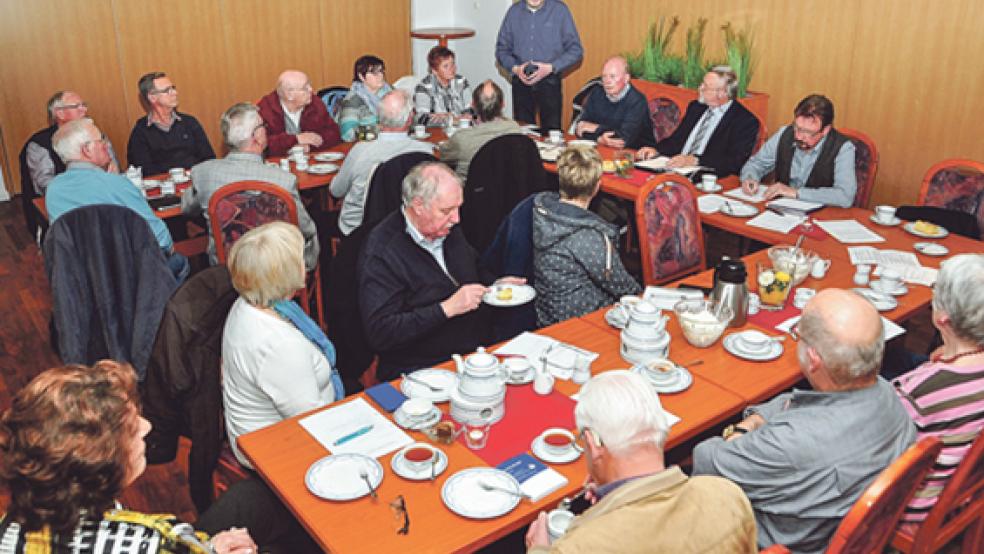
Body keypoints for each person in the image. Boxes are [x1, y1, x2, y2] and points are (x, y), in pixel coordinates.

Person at [693, 288, 917, 553]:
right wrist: (758, 419)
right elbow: (794, 401)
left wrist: (741, 431)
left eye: (798, 335)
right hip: (832, 525)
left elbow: (706, 458)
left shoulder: (791, 442)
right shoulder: (885, 394)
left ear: (813, 360)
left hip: (773, 540)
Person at [0, 361, 256, 553]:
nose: (146, 427)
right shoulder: (146, 544)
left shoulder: (9, 528)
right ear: (98, 467)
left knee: (248, 498)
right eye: (131, 429)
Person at [525, 370, 758, 553]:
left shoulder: (581, 545)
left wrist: (539, 549)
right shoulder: (727, 495)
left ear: (592, 444)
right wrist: (609, 501)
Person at [358, 162, 522, 380]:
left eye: (458, 208)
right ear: (418, 205)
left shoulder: (446, 227)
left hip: (477, 349)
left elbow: (474, 267)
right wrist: (446, 308)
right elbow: (381, 332)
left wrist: (495, 285)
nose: (456, 219)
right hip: (425, 366)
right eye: (447, 211)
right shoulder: (382, 252)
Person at [222, 222, 344, 469]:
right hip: (278, 451)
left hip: (259, 433)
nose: (306, 263)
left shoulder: (249, 302)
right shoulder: (279, 345)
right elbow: (312, 421)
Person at [892, 254, 984, 528]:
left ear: (942, 318)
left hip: (908, 509)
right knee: (895, 358)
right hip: (961, 492)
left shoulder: (916, 394)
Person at [182, 102, 320, 270]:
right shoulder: (283, 180)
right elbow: (305, 228)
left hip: (230, 267)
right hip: (277, 269)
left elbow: (187, 208)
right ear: (257, 137)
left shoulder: (203, 174)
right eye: (263, 125)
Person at [47, 118, 188, 281]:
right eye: (101, 140)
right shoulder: (116, 184)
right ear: (87, 150)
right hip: (131, 275)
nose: (107, 145)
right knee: (180, 262)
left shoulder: (53, 190)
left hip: (83, 278)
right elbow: (161, 240)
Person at [532, 145, 640, 326]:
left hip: (547, 315)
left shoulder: (542, 213)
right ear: (597, 186)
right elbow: (622, 287)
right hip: (585, 319)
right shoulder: (590, 236)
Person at [330, 90, 434, 236]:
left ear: (378, 118)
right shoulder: (426, 152)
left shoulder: (361, 151)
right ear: (410, 119)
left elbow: (336, 190)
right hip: (409, 226)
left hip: (360, 229)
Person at [636, 66, 760, 177]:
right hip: (675, 169)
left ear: (722, 93)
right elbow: (676, 141)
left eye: (706, 87)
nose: (700, 88)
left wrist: (695, 160)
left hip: (708, 177)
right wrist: (656, 150)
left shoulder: (745, 121)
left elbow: (734, 162)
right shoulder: (696, 107)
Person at [739, 94, 857, 207]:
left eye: (808, 132)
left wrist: (796, 193)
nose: (799, 136)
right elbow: (756, 164)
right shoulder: (785, 134)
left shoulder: (843, 148)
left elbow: (845, 196)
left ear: (825, 130)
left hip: (819, 216)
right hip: (779, 210)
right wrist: (750, 178)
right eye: (797, 128)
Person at [495, 0, 583, 131]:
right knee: (522, 132)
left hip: (549, 80)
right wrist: (516, 69)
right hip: (521, 80)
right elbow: (501, 50)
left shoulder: (560, 10)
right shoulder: (513, 12)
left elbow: (576, 50)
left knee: (552, 134)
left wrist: (551, 67)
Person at [22, 91, 121, 197]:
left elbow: (114, 167)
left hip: (102, 193)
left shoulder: (94, 133)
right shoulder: (39, 144)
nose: (84, 110)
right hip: (64, 200)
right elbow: (45, 186)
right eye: (76, 106)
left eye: (84, 105)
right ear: (60, 114)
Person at [126, 71, 215, 175]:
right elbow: (143, 171)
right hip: (163, 187)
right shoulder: (140, 132)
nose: (175, 93)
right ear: (152, 97)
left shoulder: (190, 122)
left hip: (196, 183)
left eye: (173, 88)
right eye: (167, 90)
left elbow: (209, 160)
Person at [438, 80, 524, 182]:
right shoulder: (514, 129)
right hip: (506, 192)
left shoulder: (462, 138)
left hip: (471, 194)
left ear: (473, 105)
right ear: (503, 104)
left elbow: (443, 156)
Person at [257, 70, 341, 156]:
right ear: (289, 95)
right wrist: (296, 139)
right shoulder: (266, 109)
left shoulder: (315, 103)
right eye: (305, 88)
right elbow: (261, 144)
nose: (311, 90)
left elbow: (334, 133)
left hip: (311, 161)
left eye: (310, 85)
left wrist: (308, 147)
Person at [574, 56, 652, 149]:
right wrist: (599, 139)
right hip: (600, 148)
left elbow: (622, 139)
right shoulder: (597, 93)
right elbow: (580, 128)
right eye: (604, 76)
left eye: (612, 76)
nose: (607, 81)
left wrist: (596, 129)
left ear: (626, 78)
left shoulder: (637, 101)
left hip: (632, 154)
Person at [338, 55, 393, 142]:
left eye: (381, 71)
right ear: (361, 76)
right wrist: (376, 130)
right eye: (374, 73)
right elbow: (347, 134)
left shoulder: (391, 92)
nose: (380, 76)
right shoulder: (352, 100)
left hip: (390, 141)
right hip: (365, 146)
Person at [413, 46, 472, 127]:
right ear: (434, 71)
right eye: (446, 66)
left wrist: (447, 117)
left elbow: (471, 112)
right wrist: (454, 119)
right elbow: (422, 119)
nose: (452, 69)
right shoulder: (423, 87)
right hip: (436, 134)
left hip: (461, 131)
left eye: (453, 63)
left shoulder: (461, 81)